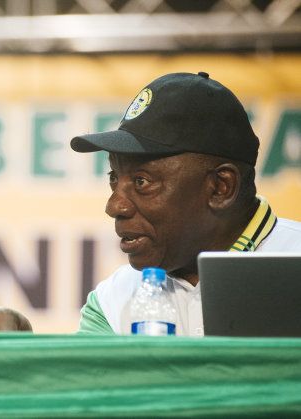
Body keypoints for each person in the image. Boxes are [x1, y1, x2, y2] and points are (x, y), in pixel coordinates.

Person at [70, 71, 301, 336]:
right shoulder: (111, 303)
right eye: (114, 177)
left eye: (142, 181)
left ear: (221, 188)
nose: (115, 206)